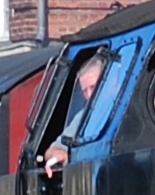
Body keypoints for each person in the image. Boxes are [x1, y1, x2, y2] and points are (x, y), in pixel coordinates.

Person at [41, 50, 110, 178]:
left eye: (93, 87)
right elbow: (51, 150)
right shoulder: (84, 117)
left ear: (110, 80)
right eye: (85, 90)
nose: (89, 95)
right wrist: (58, 154)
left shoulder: (131, 101)